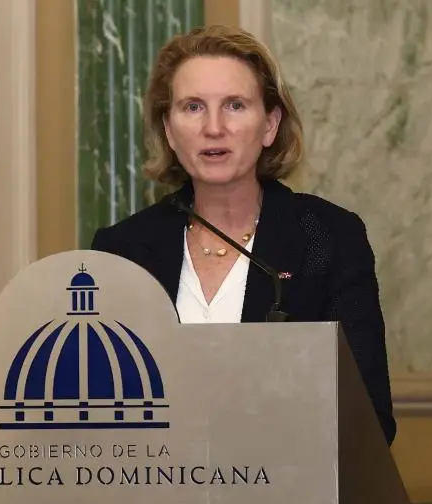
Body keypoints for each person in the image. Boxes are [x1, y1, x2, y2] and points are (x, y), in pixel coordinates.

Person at [90, 25, 396, 446]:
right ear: (169, 130)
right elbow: (99, 413)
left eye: (235, 105)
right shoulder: (122, 249)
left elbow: (369, 418)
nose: (214, 127)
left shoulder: (327, 238)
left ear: (270, 124)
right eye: (193, 107)